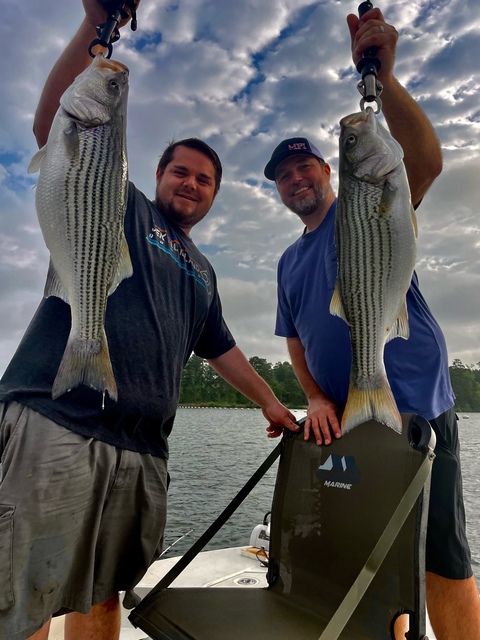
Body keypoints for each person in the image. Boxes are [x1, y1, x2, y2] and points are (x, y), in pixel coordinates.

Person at [0, 2, 299, 639]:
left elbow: (222, 350)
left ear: (215, 195)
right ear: (156, 176)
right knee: (23, 592)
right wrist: (95, 29)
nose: (191, 184)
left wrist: (273, 405)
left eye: (205, 180)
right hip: (58, 418)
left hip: (142, 447)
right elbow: (57, 124)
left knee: (102, 592)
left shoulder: (203, 270)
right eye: (180, 172)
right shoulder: (121, 204)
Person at [263, 7, 480, 640]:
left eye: (307, 165)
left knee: (443, 554)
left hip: (414, 402)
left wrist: (384, 80)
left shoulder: (372, 198)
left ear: (331, 172)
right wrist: (311, 396)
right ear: (277, 190)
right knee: (370, 554)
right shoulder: (287, 260)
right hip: (346, 418)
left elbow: (428, 161)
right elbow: (295, 339)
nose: (297, 177)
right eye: (283, 175)